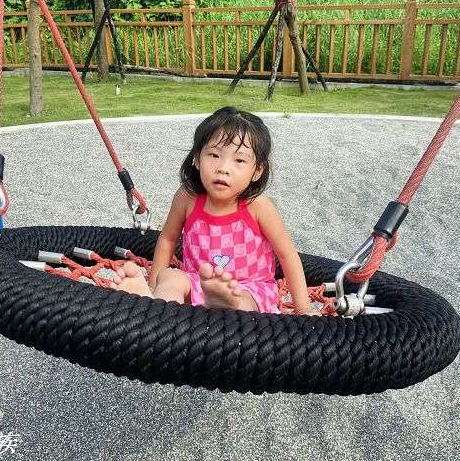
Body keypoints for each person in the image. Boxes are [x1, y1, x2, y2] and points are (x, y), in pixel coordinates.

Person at [111, 106, 318, 316]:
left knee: (243, 300)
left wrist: (303, 308)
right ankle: (154, 301)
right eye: (214, 155)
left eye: (239, 160)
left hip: (250, 287)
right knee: (171, 278)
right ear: (197, 159)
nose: (223, 168)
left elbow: (287, 255)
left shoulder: (258, 206)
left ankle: (224, 302)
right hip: (197, 281)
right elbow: (167, 240)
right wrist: (156, 282)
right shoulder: (187, 198)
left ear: (257, 171)